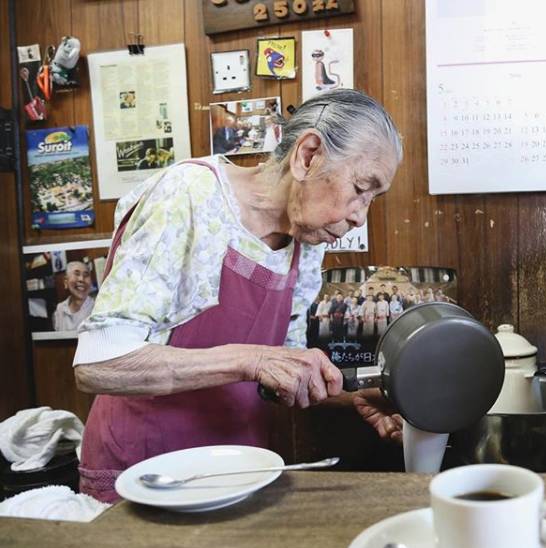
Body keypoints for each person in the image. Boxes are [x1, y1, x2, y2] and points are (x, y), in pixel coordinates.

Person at [73, 89, 404, 502]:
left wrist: (356, 397)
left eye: (373, 198)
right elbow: (99, 363)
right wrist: (252, 358)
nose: (359, 215)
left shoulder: (306, 241)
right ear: (308, 155)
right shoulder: (190, 195)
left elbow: (278, 379)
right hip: (145, 469)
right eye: (360, 187)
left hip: (238, 468)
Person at [53, 261, 95, 331]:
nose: (81, 279)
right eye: (77, 274)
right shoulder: (60, 309)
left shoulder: (97, 308)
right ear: (66, 282)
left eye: (86, 275)